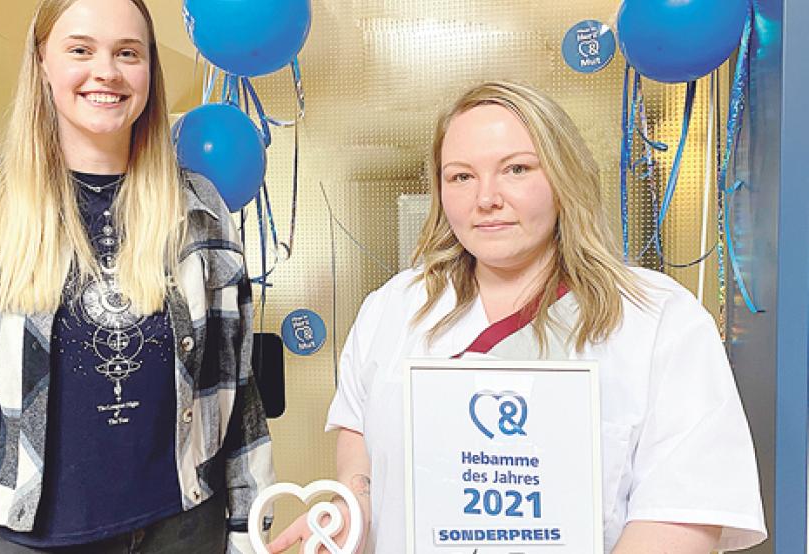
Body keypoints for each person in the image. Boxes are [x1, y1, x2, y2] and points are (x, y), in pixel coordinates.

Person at [270, 81, 766, 553]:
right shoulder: (393, 309)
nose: (486, 197)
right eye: (461, 175)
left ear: (563, 176)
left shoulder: (658, 320)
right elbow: (360, 432)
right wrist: (354, 506)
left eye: (517, 169)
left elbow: (684, 509)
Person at [0, 0, 274, 552]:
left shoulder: (200, 209)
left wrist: (250, 525)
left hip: (183, 530)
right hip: (26, 536)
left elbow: (236, 382)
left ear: (148, 70)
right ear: (42, 64)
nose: (105, 71)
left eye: (127, 53)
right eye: (80, 50)